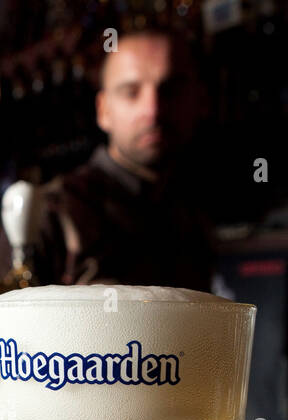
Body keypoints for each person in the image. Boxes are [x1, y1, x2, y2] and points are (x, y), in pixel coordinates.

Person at [28, 27, 215, 290]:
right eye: (131, 92)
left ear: (200, 100)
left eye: (171, 89)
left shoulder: (193, 213)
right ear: (103, 110)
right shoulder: (49, 213)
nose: (152, 109)